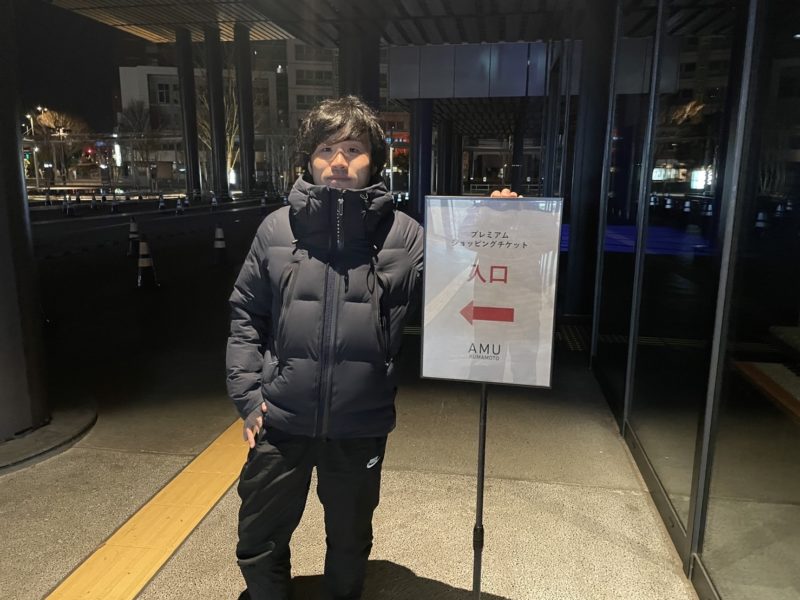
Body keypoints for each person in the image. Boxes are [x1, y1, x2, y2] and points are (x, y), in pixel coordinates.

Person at [226, 96, 423, 600]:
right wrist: (248, 397)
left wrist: (497, 219)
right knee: (259, 537)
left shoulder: (404, 235)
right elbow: (247, 314)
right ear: (309, 160)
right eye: (326, 149)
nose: (339, 161)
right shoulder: (277, 229)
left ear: (374, 161)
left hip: (360, 424)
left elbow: (464, 279)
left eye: (353, 149)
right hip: (281, 420)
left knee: (350, 541)